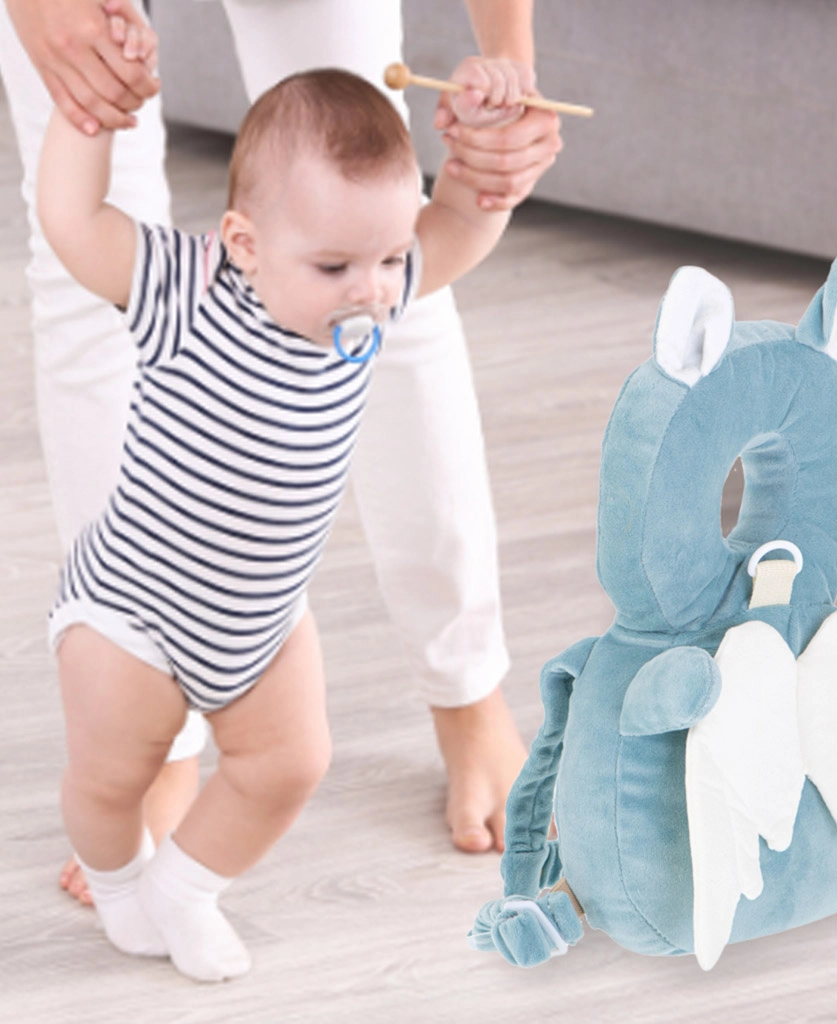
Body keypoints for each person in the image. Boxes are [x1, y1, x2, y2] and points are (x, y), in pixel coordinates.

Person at [0, 0, 563, 905]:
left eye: (384, 267)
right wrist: (84, 109)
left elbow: (445, 229)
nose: (370, 292)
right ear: (241, 246)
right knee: (87, 291)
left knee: (366, 200)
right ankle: (152, 747)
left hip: (259, 623)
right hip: (141, 587)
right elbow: (78, 221)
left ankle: (466, 689)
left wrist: (492, 124)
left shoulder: (381, 284)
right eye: (336, 272)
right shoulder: (180, 289)